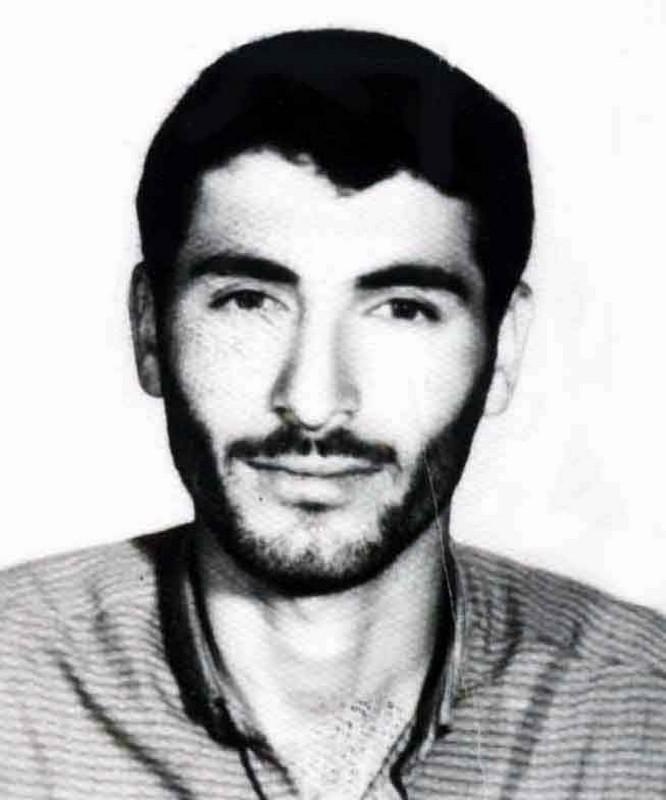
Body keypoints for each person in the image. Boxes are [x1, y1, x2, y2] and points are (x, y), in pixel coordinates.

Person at [1, 28, 665, 800]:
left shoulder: (644, 719)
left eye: (403, 309)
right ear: (149, 330)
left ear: (504, 347)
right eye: (248, 301)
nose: (314, 402)